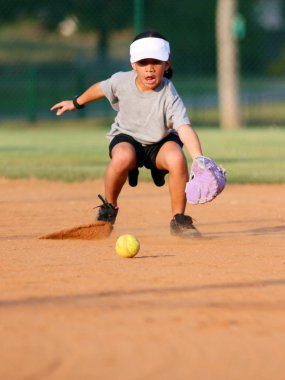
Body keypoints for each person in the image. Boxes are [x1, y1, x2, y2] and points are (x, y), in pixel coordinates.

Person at [51, 31, 204, 237]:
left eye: (156, 62)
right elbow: (100, 89)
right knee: (123, 156)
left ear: (167, 64)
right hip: (127, 137)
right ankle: (108, 209)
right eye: (143, 62)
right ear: (133, 64)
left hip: (159, 142)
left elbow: (184, 127)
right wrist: (76, 103)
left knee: (177, 158)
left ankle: (178, 219)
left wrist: (199, 159)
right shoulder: (122, 81)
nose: (149, 68)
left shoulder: (169, 93)